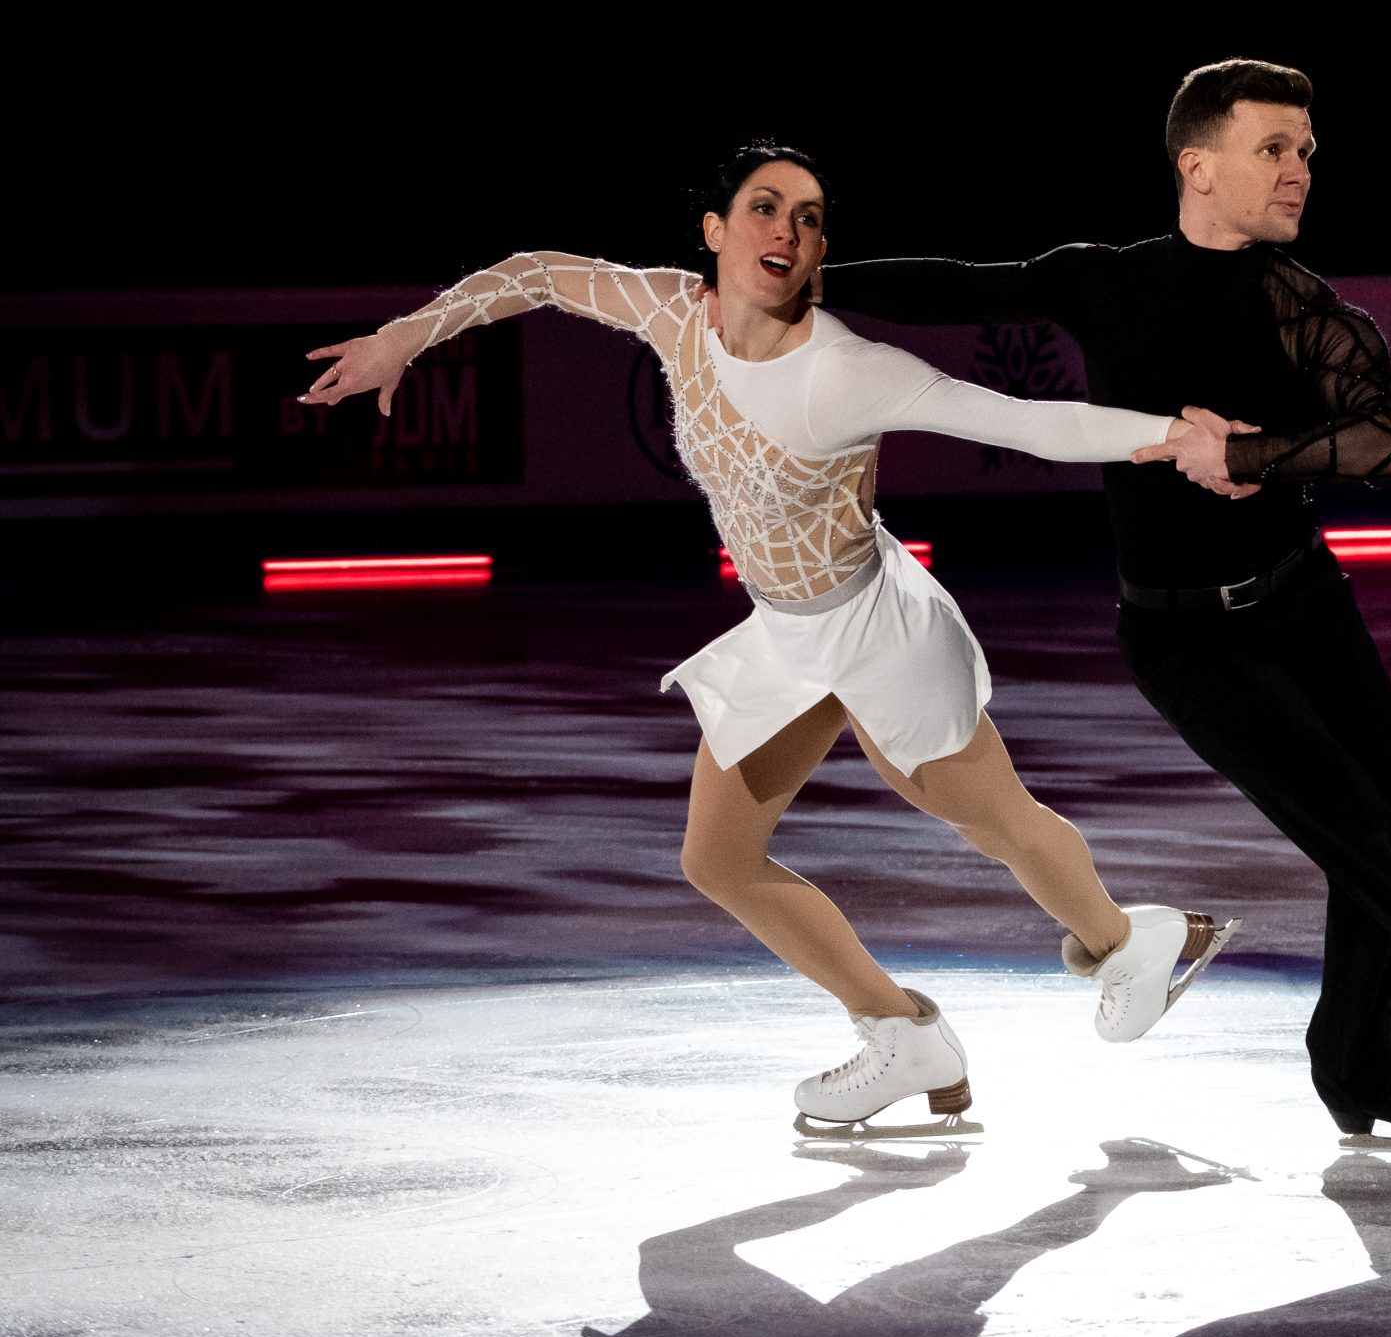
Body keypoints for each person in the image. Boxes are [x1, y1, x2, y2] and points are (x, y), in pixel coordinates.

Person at [822, 61, 1391, 1143]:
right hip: (1185, 639)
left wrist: (1245, 454)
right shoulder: (1106, 281)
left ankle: (1354, 1054)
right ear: (1196, 164)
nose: (1298, 171)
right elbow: (952, 288)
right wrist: (791, 280)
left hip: (1305, 606)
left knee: (1382, 839)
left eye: (1306, 152)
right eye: (1272, 148)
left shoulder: (1296, 302)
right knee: (1367, 844)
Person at [294, 143, 1240, 1133]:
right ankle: (902, 1033)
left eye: (809, 216)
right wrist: (405, 337)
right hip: (788, 634)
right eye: (764, 207)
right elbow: (536, 273)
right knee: (718, 858)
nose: (787, 229)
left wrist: (1174, 435)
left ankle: (1128, 944)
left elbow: (1022, 422)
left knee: (990, 818)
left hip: (877, 631)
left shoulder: (846, 372)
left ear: (820, 249)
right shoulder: (672, 312)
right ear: (713, 229)